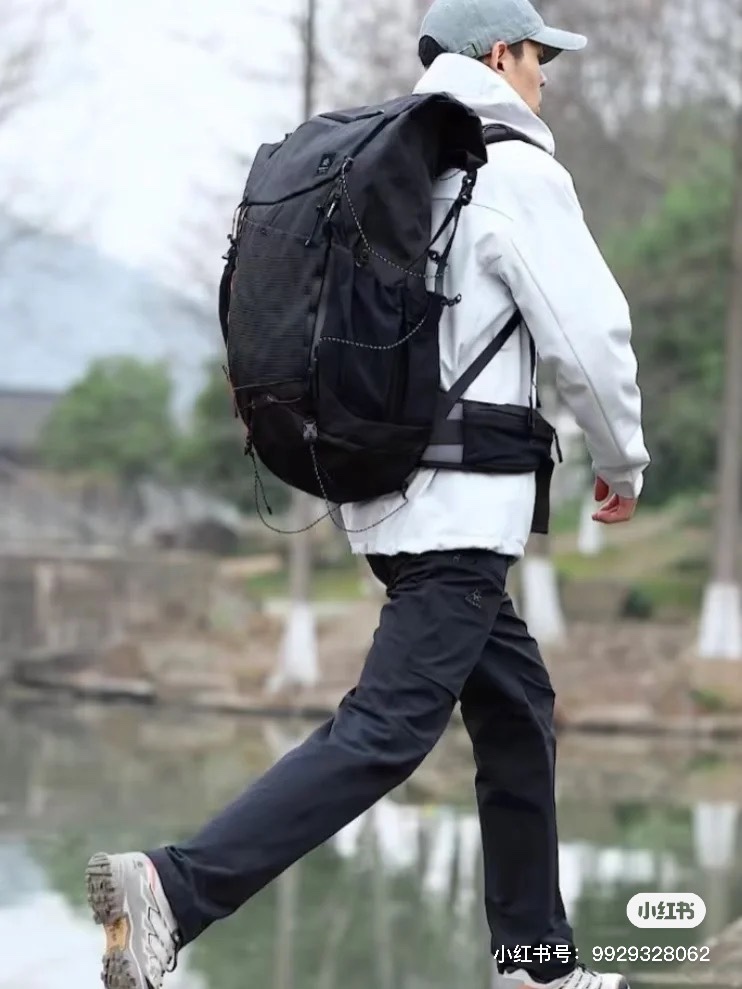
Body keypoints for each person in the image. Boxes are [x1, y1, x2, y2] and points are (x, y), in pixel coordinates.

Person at [85, 1, 649, 987]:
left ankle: (536, 964)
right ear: (498, 54)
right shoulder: (515, 173)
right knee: (386, 729)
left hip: (385, 492)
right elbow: (590, 339)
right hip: (462, 504)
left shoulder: (394, 168)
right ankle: (174, 887)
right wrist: (623, 457)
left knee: (516, 708)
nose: (545, 76)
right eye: (537, 56)